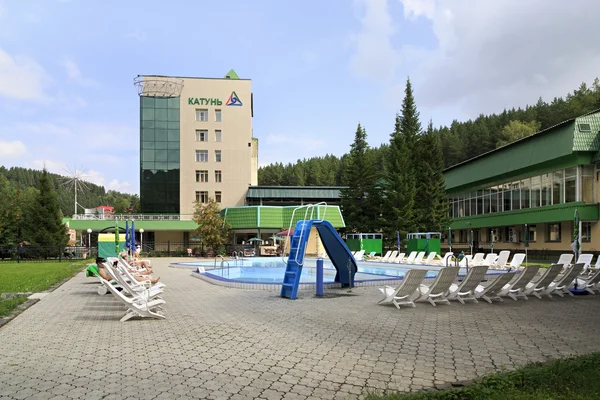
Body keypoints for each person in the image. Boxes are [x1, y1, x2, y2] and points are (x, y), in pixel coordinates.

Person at [95, 257, 160, 285]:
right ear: (98, 263)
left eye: (104, 262)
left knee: (130, 273)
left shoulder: (104, 268)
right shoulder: (100, 270)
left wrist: (114, 269)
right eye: (102, 263)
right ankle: (151, 280)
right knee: (132, 277)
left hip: (117, 276)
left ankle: (147, 277)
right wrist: (113, 272)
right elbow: (106, 278)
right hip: (115, 279)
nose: (104, 263)